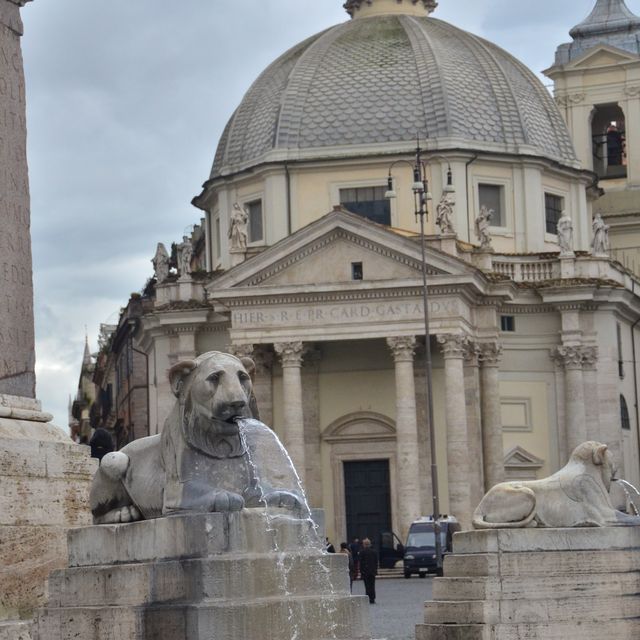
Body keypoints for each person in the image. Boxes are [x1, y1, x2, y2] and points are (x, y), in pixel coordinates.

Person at [358, 538, 378, 604]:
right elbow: (376, 562)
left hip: (365, 571)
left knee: (367, 586)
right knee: (372, 585)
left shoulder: (362, 552)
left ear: (364, 544)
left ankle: (368, 597)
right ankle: (372, 598)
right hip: (372, 571)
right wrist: (375, 570)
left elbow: (360, 563)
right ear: (369, 544)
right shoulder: (374, 552)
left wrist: (361, 571)